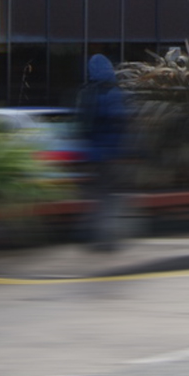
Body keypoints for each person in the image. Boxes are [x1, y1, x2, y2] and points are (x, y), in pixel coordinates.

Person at [76, 54, 129, 251]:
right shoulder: (113, 93)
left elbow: (82, 124)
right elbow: (120, 120)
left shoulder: (87, 92)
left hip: (91, 152)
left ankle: (89, 232)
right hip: (110, 153)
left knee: (97, 194)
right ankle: (105, 238)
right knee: (108, 196)